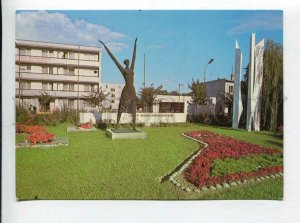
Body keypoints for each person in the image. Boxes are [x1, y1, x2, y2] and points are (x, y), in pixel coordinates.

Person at [99, 38, 138, 129]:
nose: (129, 61)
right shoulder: (123, 70)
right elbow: (114, 59)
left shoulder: (132, 68)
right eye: (127, 61)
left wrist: (135, 44)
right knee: (121, 107)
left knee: (133, 108)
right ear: (125, 63)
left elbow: (134, 57)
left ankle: (134, 126)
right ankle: (117, 124)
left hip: (132, 90)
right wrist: (105, 46)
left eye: (129, 61)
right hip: (126, 90)